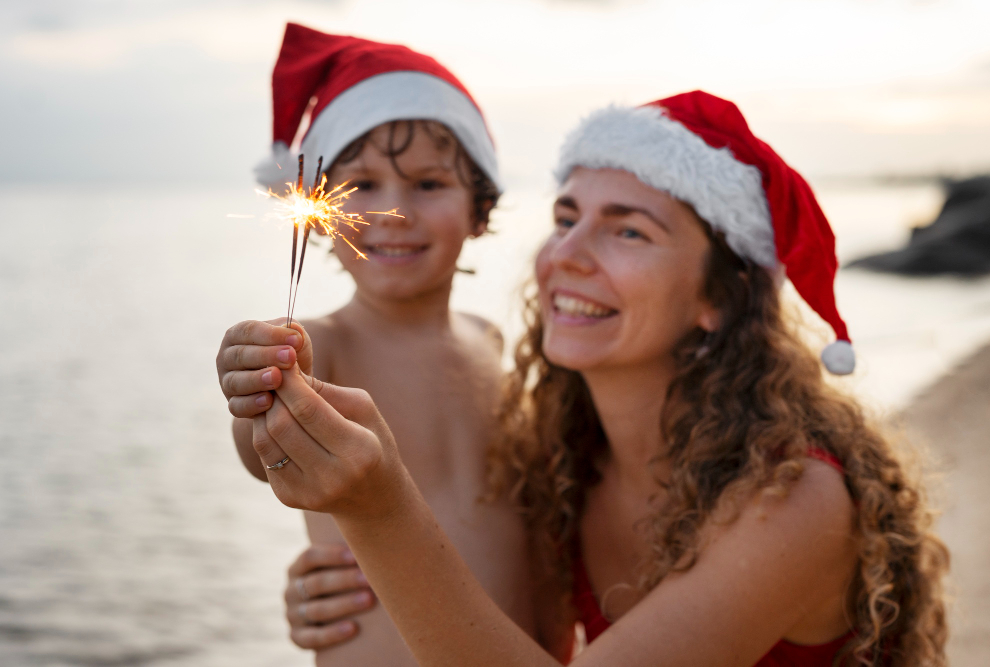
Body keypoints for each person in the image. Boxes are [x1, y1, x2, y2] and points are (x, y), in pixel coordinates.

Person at [246, 91, 949, 666]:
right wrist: (346, 586)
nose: (566, 254)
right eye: (566, 217)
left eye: (628, 231)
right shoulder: (565, 463)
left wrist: (382, 513)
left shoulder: (794, 496)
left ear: (717, 297)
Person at [215, 23, 538, 665]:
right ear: (324, 211)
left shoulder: (492, 340)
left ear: (479, 208)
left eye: (428, 184)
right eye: (360, 185)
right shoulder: (318, 346)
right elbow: (265, 453)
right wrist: (257, 383)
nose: (393, 212)